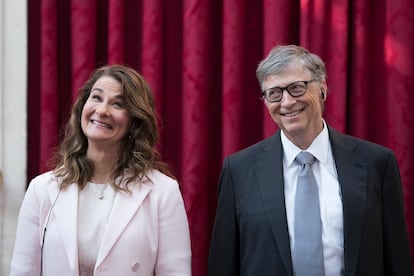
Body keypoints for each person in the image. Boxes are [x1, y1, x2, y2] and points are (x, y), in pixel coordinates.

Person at [208, 45, 413, 275]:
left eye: (297, 88)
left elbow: (398, 261)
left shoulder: (376, 163)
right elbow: (222, 265)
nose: (286, 102)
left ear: (322, 88)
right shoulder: (238, 171)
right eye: (274, 93)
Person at [10, 64, 192, 275]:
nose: (102, 110)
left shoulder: (163, 192)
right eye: (96, 98)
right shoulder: (42, 189)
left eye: (117, 104)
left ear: (134, 122)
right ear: (82, 109)